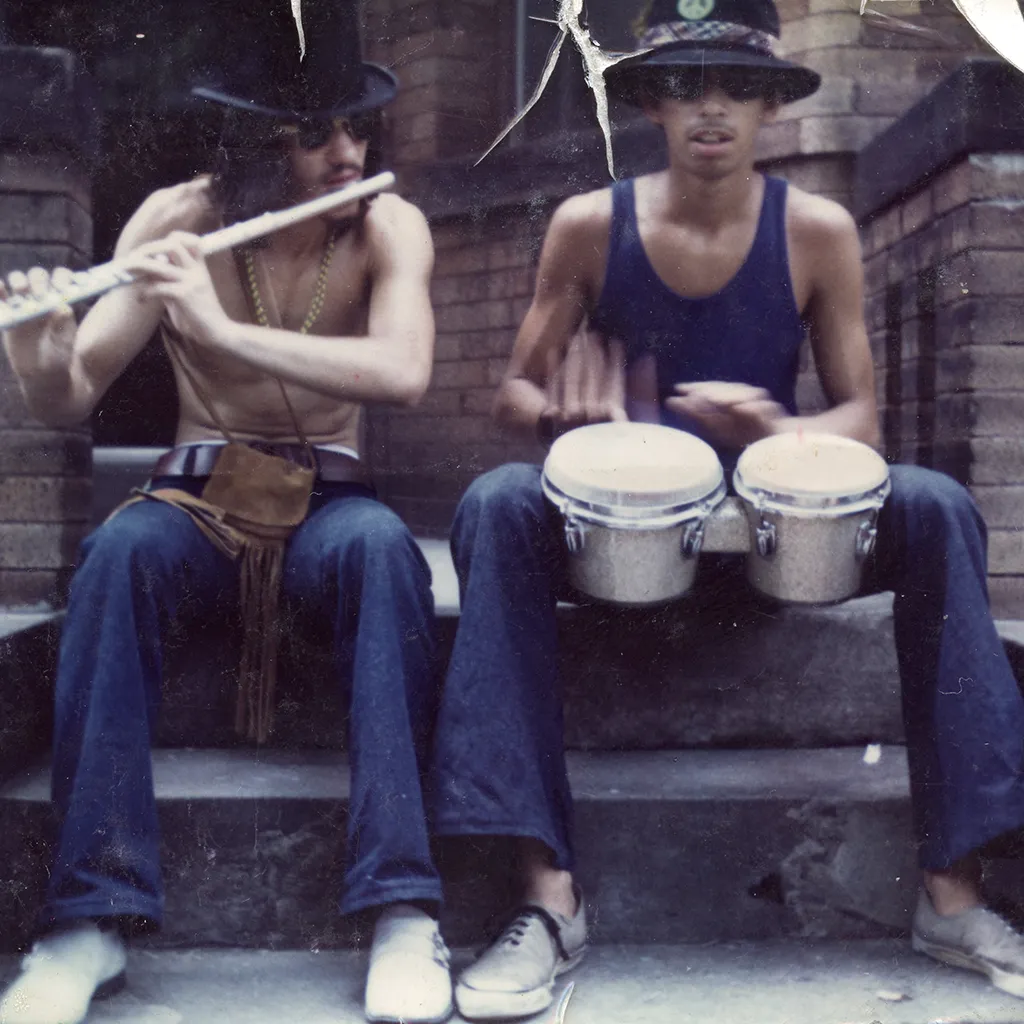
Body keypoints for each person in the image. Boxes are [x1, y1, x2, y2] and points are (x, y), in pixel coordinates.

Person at [432, 0, 1024, 1017]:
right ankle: (545, 898)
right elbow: (513, 394)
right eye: (687, 84)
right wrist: (568, 415)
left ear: (769, 106)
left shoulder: (814, 230)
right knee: (496, 505)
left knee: (934, 505)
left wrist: (772, 434)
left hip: (776, 542)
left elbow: (861, 420)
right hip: (619, 546)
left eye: (739, 86)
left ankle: (952, 891)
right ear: (652, 101)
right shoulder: (589, 225)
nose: (713, 108)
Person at [0, 3, 454, 1023]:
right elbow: (74, 392)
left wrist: (214, 329)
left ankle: (403, 909)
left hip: (330, 499)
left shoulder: (388, 223)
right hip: (198, 498)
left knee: (386, 553)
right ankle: (84, 923)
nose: (349, 152)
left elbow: (405, 369)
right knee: (116, 552)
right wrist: (36, 357)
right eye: (315, 134)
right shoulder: (175, 222)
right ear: (250, 139)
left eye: (357, 127)